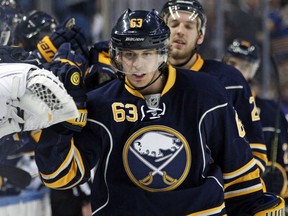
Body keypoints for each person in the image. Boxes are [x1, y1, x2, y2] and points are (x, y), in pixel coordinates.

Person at [33, 8, 285, 215]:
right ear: (116, 56)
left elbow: (238, 172)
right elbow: (59, 176)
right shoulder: (100, 102)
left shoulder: (207, 92)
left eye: (148, 53)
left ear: (162, 53)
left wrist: (255, 206)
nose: (138, 64)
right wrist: (62, 116)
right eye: (129, 54)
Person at [160, 0, 267, 174]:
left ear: (200, 36)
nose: (180, 31)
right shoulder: (143, 80)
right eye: (174, 24)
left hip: (217, 195)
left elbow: (255, 150)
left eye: (189, 26)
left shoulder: (229, 79)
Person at [223, 38, 288, 211]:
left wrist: (281, 179)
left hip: (257, 199)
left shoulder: (271, 111)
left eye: (244, 66)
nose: (236, 70)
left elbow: (283, 159)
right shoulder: (210, 104)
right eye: (232, 63)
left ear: (253, 71)